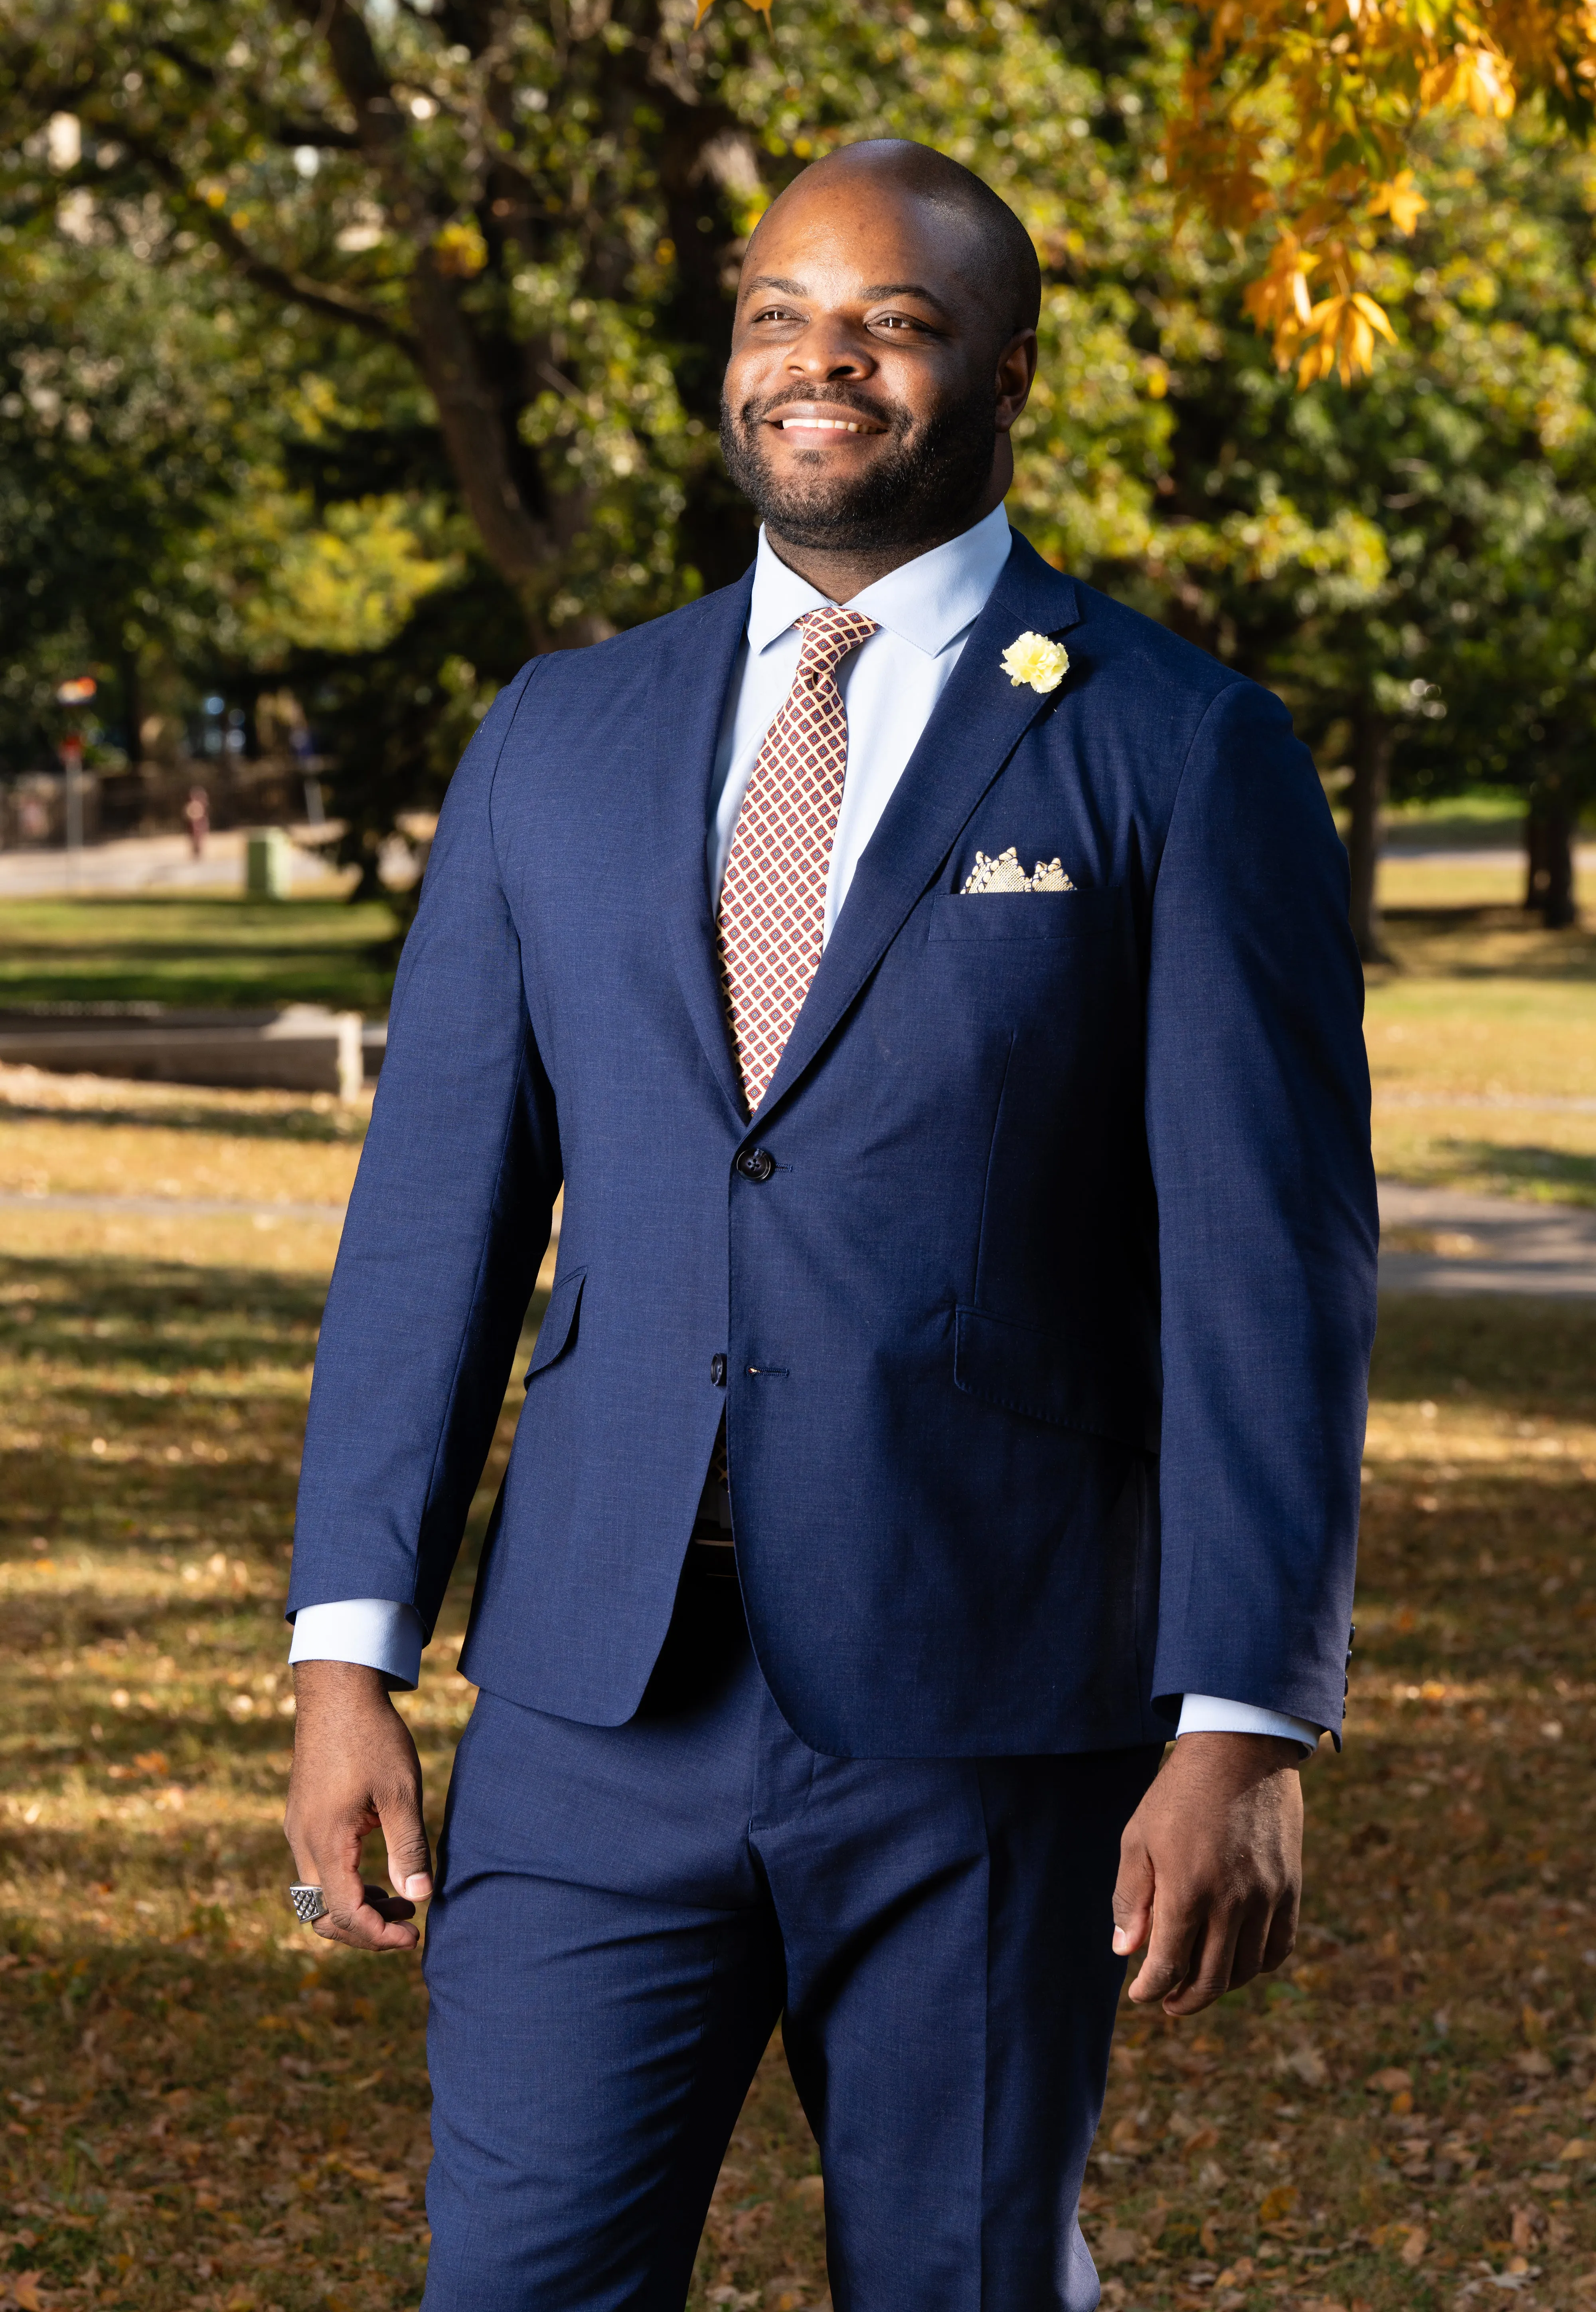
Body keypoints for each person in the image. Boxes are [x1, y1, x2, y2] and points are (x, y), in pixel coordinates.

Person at [282, 139, 1376, 2312]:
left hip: (985, 1713)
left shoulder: (1176, 744)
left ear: (1000, 369)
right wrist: (347, 1655)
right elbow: (435, 1221)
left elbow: (1268, 1263)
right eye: (780, 311)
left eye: (888, 319)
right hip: (601, 1710)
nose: (822, 359)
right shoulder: (561, 739)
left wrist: (1242, 1720)